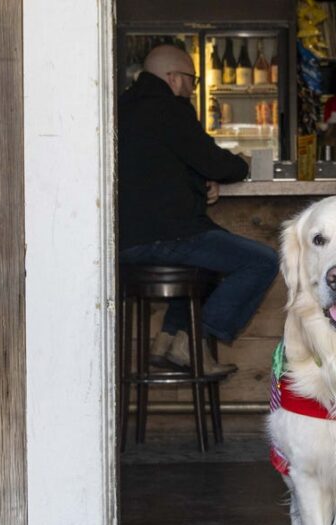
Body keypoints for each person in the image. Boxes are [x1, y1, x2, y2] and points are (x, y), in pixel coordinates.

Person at [118, 44, 278, 372]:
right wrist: (241, 165)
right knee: (262, 261)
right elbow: (215, 162)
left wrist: (198, 181)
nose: (193, 88)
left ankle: (167, 339)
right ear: (173, 78)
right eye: (192, 79)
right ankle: (193, 340)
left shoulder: (121, 106)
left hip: (127, 242)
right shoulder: (169, 108)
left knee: (208, 262)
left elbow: (159, 164)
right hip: (167, 235)